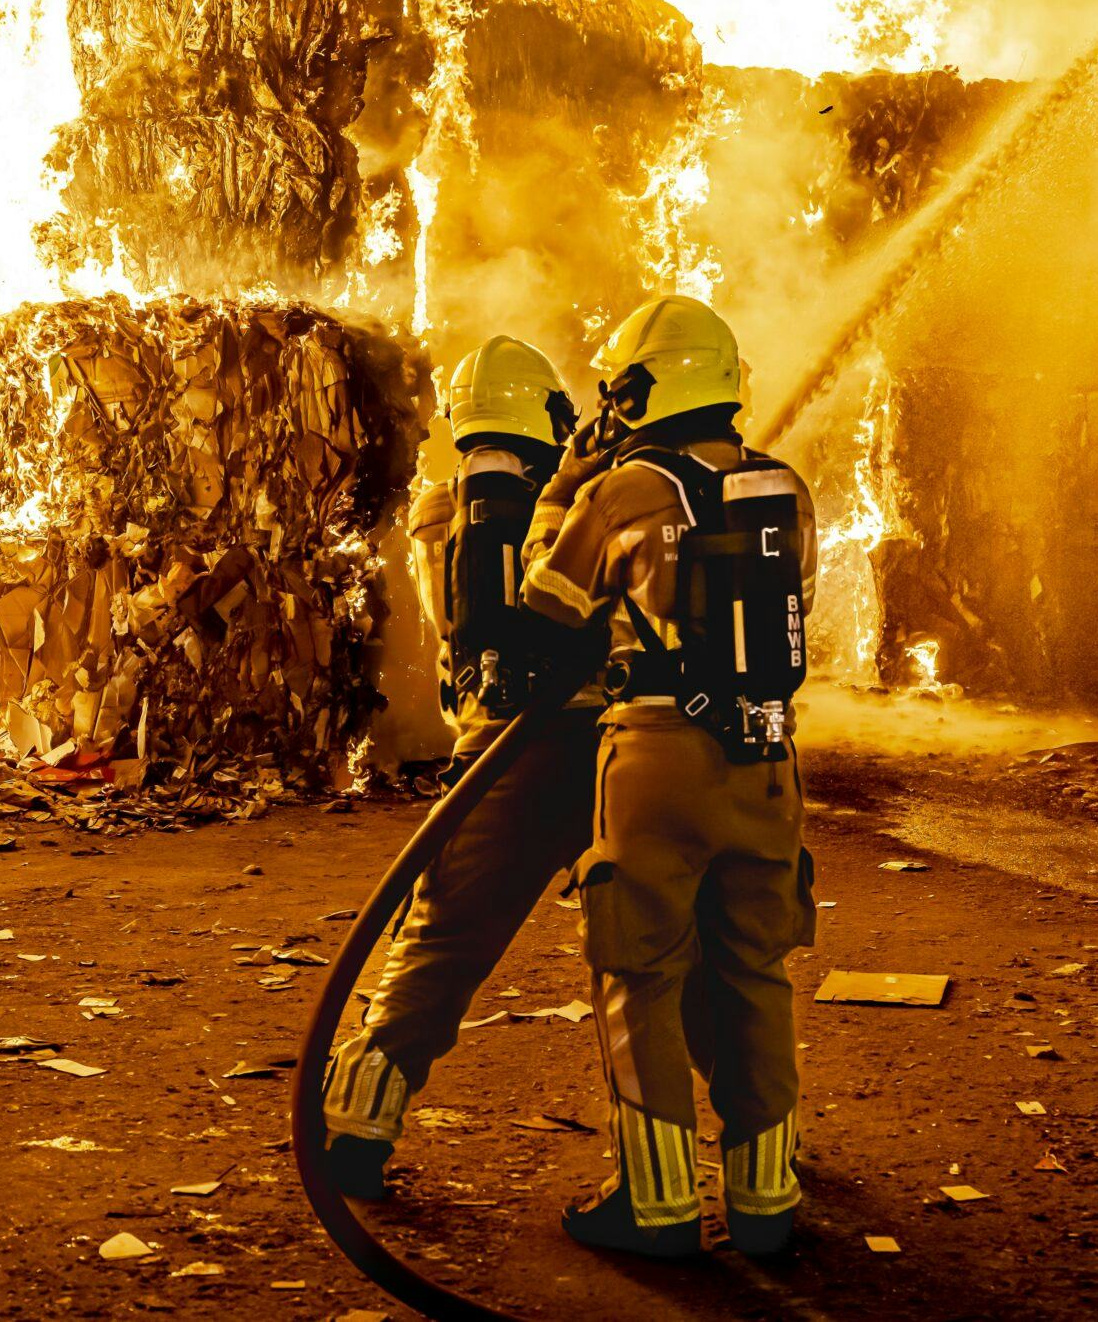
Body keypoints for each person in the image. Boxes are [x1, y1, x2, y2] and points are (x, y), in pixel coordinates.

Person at [523, 295, 819, 1258]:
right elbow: (798, 607)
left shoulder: (623, 490)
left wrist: (565, 485)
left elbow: (548, 600)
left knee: (641, 973)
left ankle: (656, 1208)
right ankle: (767, 1201)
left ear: (637, 393)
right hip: (767, 758)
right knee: (756, 972)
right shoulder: (784, 487)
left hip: (656, 754)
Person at [318, 335, 603, 1199]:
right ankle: (743, 1145)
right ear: (547, 415)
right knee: (661, 954)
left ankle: (355, 1126)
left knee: (439, 939)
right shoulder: (560, 499)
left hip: (492, 753)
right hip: (598, 744)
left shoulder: (442, 509)